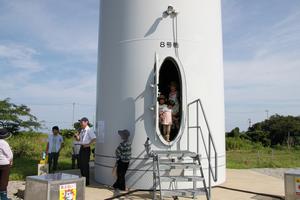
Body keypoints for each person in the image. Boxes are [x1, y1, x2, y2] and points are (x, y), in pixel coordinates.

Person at [74, 117, 96, 186]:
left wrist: (88, 145)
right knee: (80, 164)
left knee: (85, 165)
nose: (80, 123)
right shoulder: (82, 130)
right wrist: (76, 136)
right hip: (81, 148)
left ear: (86, 122)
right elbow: (79, 140)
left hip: (86, 149)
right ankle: (83, 179)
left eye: (82, 122)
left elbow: (94, 139)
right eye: (80, 122)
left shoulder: (89, 130)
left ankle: (87, 182)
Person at [0, 128, 13, 200]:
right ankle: (4, 198)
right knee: (4, 181)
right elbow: (10, 155)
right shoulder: (4, 143)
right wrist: (10, 161)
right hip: (4, 164)